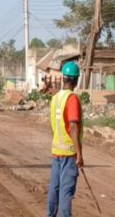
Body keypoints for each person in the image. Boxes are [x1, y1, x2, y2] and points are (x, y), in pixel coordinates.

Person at [47, 62, 83, 217]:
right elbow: (73, 127)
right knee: (66, 192)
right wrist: (79, 154)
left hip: (56, 151)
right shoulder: (72, 98)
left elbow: (54, 125)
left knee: (54, 188)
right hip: (69, 153)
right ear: (76, 80)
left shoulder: (56, 98)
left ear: (63, 78)